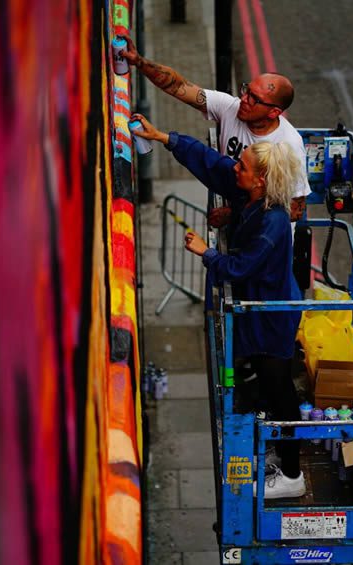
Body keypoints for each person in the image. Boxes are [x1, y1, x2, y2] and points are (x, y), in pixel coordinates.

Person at [131, 113, 306, 499]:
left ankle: (293, 477)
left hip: (272, 317)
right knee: (270, 386)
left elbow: (239, 268)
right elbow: (212, 163)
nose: (235, 167)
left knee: (280, 392)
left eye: (242, 165)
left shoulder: (273, 224)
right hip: (263, 311)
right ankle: (284, 454)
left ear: (260, 180)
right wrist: (163, 135)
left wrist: (205, 252)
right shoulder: (252, 196)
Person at [118, 36, 309, 224]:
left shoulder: (289, 145)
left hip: (264, 242)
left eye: (254, 99)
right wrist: (139, 62)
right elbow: (179, 86)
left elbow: (294, 211)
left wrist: (234, 213)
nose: (244, 99)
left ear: (274, 112)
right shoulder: (229, 108)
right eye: (246, 90)